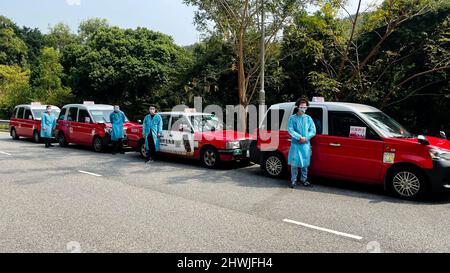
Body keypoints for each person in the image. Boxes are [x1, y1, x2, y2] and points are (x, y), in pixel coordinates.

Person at [288, 98, 317, 188]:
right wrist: (299, 137)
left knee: (305, 164)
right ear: (298, 107)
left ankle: (304, 180)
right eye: (302, 107)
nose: (303, 108)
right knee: (294, 164)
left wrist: (306, 138)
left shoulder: (308, 118)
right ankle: (293, 180)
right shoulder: (292, 118)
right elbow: (290, 130)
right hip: (296, 144)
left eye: (305, 107)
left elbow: (313, 130)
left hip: (305, 144)